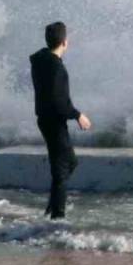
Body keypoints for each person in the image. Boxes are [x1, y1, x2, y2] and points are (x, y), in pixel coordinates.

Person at [29, 21, 91, 219]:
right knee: (63, 166)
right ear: (65, 42)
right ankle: (57, 216)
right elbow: (59, 102)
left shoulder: (41, 60)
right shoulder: (57, 69)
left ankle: (54, 203)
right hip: (54, 122)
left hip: (45, 119)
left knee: (68, 163)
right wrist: (78, 115)